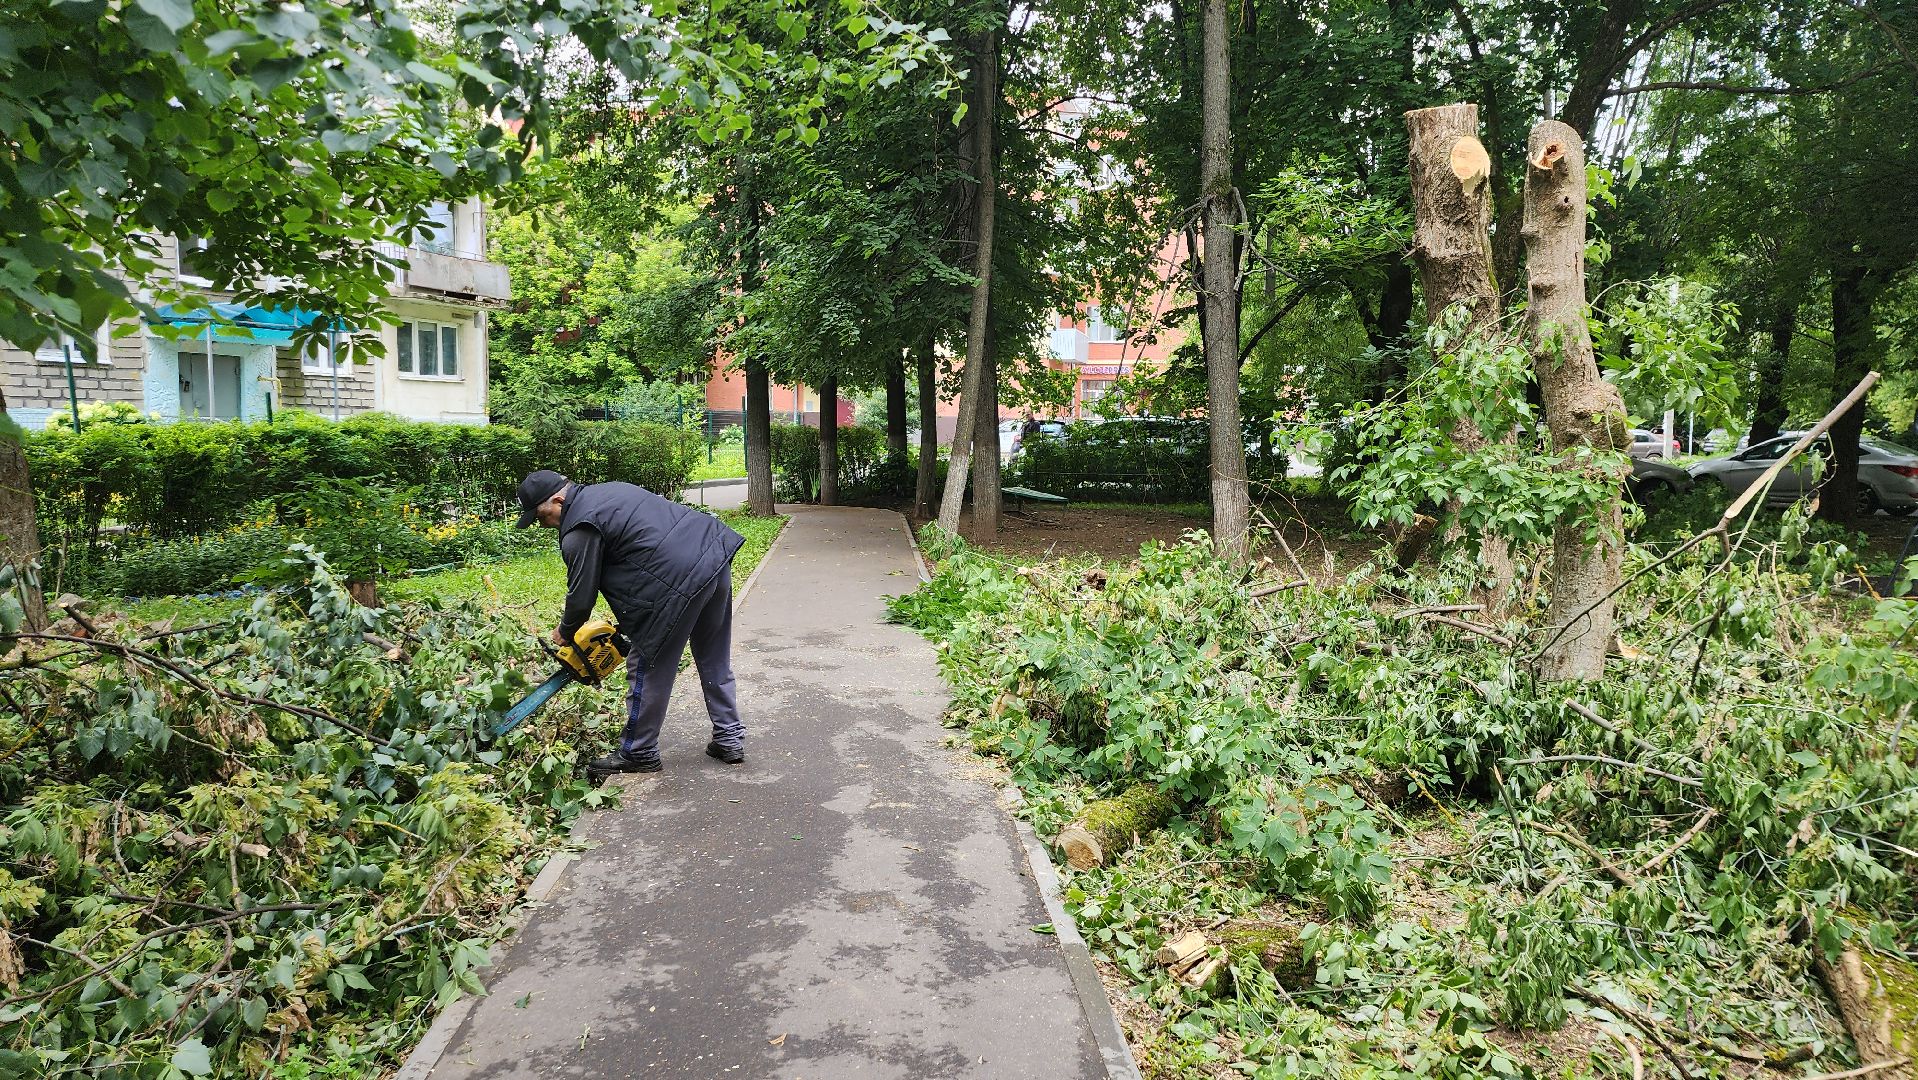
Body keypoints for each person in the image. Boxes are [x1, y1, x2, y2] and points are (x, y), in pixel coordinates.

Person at [514, 469, 746, 780]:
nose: (543, 525)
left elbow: (581, 597)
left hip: (677, 581)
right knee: (713, 656)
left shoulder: (578, 528)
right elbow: (643, 549)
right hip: (713, 558)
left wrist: (565, 632)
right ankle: (729, 740)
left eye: (542, 516)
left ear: (558, 499)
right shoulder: (612, 488)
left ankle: (639, 751)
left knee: (647, 666)